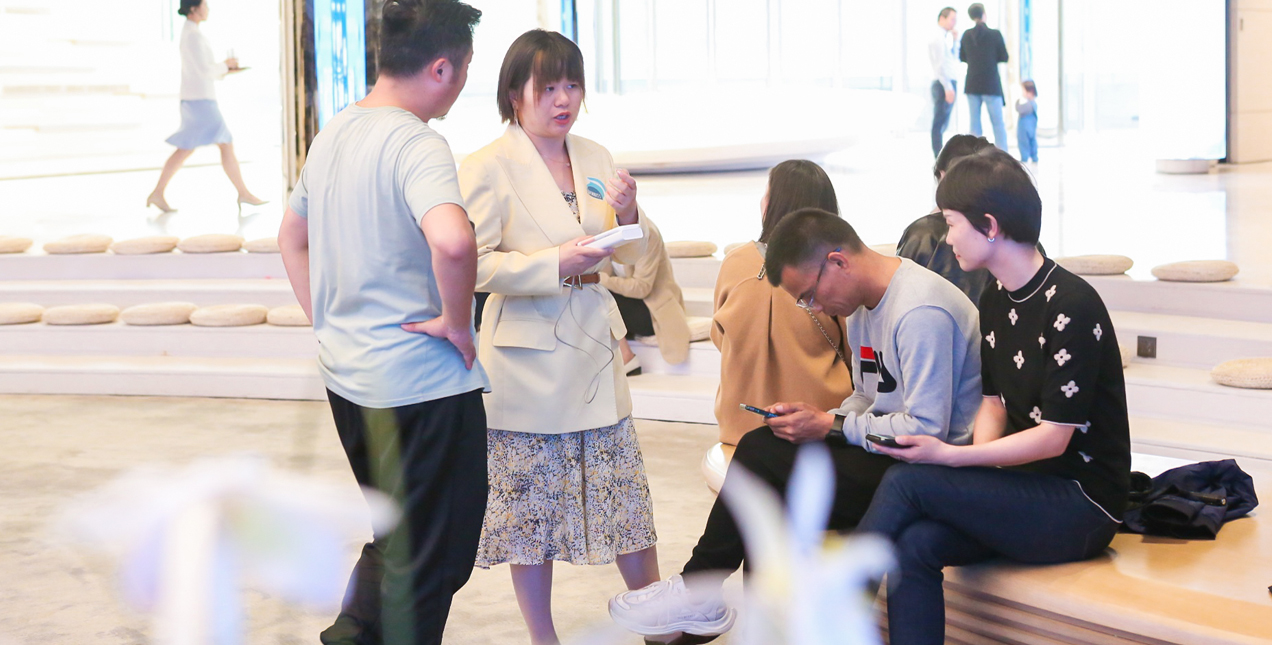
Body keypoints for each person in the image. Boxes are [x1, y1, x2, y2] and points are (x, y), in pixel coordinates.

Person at [608, 208, 983, 642]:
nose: (814, 308)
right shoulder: (864, 306)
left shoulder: (921, 310)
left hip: (928, 473)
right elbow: (867, 397)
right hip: (888, 454)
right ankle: (717, 608)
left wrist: (830, 425)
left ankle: (701, 595)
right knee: (763, 457)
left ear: (838, 262)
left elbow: (926, 430)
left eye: (809, 295)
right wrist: (824, 418)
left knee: (766, 466)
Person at [858, 147, 1132, 645]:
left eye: (951, 223)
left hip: (1083, 504)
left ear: (989, 225)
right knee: (914, 544)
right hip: (1027, 489)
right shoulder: (995, 296)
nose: (946, 237)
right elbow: (994, 403)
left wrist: (952, 459)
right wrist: (973, 474)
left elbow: (1053, 438)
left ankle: (832, 610)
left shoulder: (1073, 304)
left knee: (907, 482)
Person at [276, 2, 488, 644]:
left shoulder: (334, 133)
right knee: (432, 559)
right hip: (419, 388)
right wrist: (458, 323)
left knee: (400, 538)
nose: (463, 83)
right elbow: (453, 241)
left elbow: (291, 237)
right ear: (443, 67)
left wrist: (327, 320)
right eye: (466, 68)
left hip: (350, 378)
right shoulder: (417, 142)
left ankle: (349, 636)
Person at [458, 29, 662, 645]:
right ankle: (542, 638)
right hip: (526, 363)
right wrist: (554, 263)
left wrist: (630, 216)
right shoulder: (486, 166)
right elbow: (472, 265)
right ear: (513, 93)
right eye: (548, 87)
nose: (563, 99)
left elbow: (632, 257)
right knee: (530, 516)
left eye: (572, 84)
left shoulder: (596, 156)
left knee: (625, 500)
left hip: (594, 348)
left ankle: (658, 624)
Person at [710, 160, 852, 447]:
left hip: (740, 426)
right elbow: (855, 348)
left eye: (766, 193)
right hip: (819, 422)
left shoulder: (735, 263)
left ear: (773, 205)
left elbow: (720, 337)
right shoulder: (837, 265)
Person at [147, 0, 267, 214]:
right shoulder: (192, 35)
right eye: (205, 5)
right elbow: (204, 70)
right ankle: (243, 193)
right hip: (200, 101)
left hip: (197, 99)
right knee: (224, 142)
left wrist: (225, 69)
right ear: (194, 8)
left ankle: (158, 192)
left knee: (188, 147)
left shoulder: (191, 33)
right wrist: (226, 66)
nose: (208, 8)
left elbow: (202, 70)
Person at [897, 134, 995, 303]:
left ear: (942, 177)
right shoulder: (1018, 238)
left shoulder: (922, 234)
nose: (949, 238)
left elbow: (898, 296)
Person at [600, 216, 692, 375]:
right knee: (593, 294)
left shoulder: (647, 233)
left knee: (601, 298)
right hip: (629, 304)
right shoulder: (604, 229)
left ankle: (627, 357)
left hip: (652, 310)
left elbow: (642, 288)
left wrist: (602, 280)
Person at [960, 3, 1009, 152]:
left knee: (974, 124)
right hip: (991, 84)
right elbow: (1004, 57)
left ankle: (975, 156)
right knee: (998, 123)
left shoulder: (966, 35)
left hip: (972, 83)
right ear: (984, 14)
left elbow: (962, 57)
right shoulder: (995, 34)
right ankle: (1003, 155)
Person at [929, 7, 960, 158]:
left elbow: (952, 60)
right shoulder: (938, 37)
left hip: (947, 82)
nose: (954, 23)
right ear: (942, 18)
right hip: (942, 83)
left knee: (943, 122)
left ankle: (940, 156)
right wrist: (947, 87)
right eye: (952, 19)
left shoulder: (945, 36)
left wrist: (955, 41)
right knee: (939, 123)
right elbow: (940, 65)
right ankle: (939, 157)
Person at [1017, 80, 1039, 163]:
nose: (1022, 93)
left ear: (1030, 92)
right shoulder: (1033, 104)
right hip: (1031, 127)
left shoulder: (1029, 104)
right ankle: (1034, 157)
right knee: (1032, 141)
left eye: (1023, 90)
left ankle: (1025, 157)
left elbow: (1019, 109)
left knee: (1024, 141)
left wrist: (1019, 102)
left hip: (1024, 127)